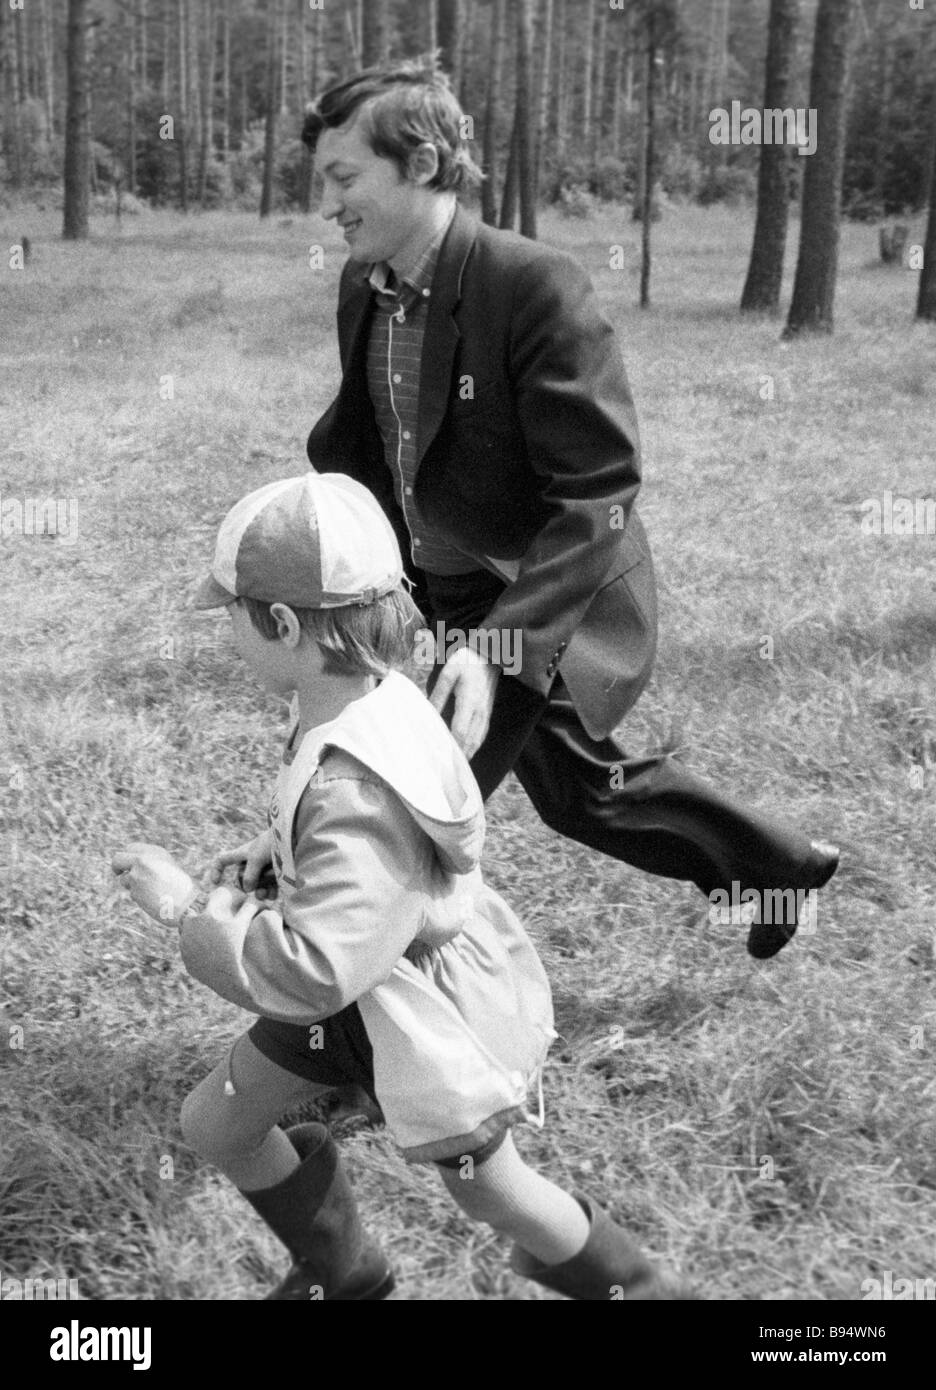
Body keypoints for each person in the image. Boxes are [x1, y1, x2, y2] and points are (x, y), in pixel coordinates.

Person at [300, 59, 839, 960]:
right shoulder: (366, 283)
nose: (328, 204)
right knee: (577, 791)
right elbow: (362, 442)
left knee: (411, 810)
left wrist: (493, 647)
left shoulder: (534, 284)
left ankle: (354, 1037)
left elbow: (598, 492)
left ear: (424, 163)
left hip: (541, 588)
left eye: (344, 178)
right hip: (442, 586)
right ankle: (772, 865)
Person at [111, 472, 690, 1302]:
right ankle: (342, 1272)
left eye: (232, 615)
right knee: (215, 1123)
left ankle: (642, 1292)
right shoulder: (364, 697)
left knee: (494, 1191)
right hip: (358, 982)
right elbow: (360, 849)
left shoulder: (355, 790)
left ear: (280, 625)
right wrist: (279, 848)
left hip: (415, 1010)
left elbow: (313, 968)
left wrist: (187, 908)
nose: (227, 633)